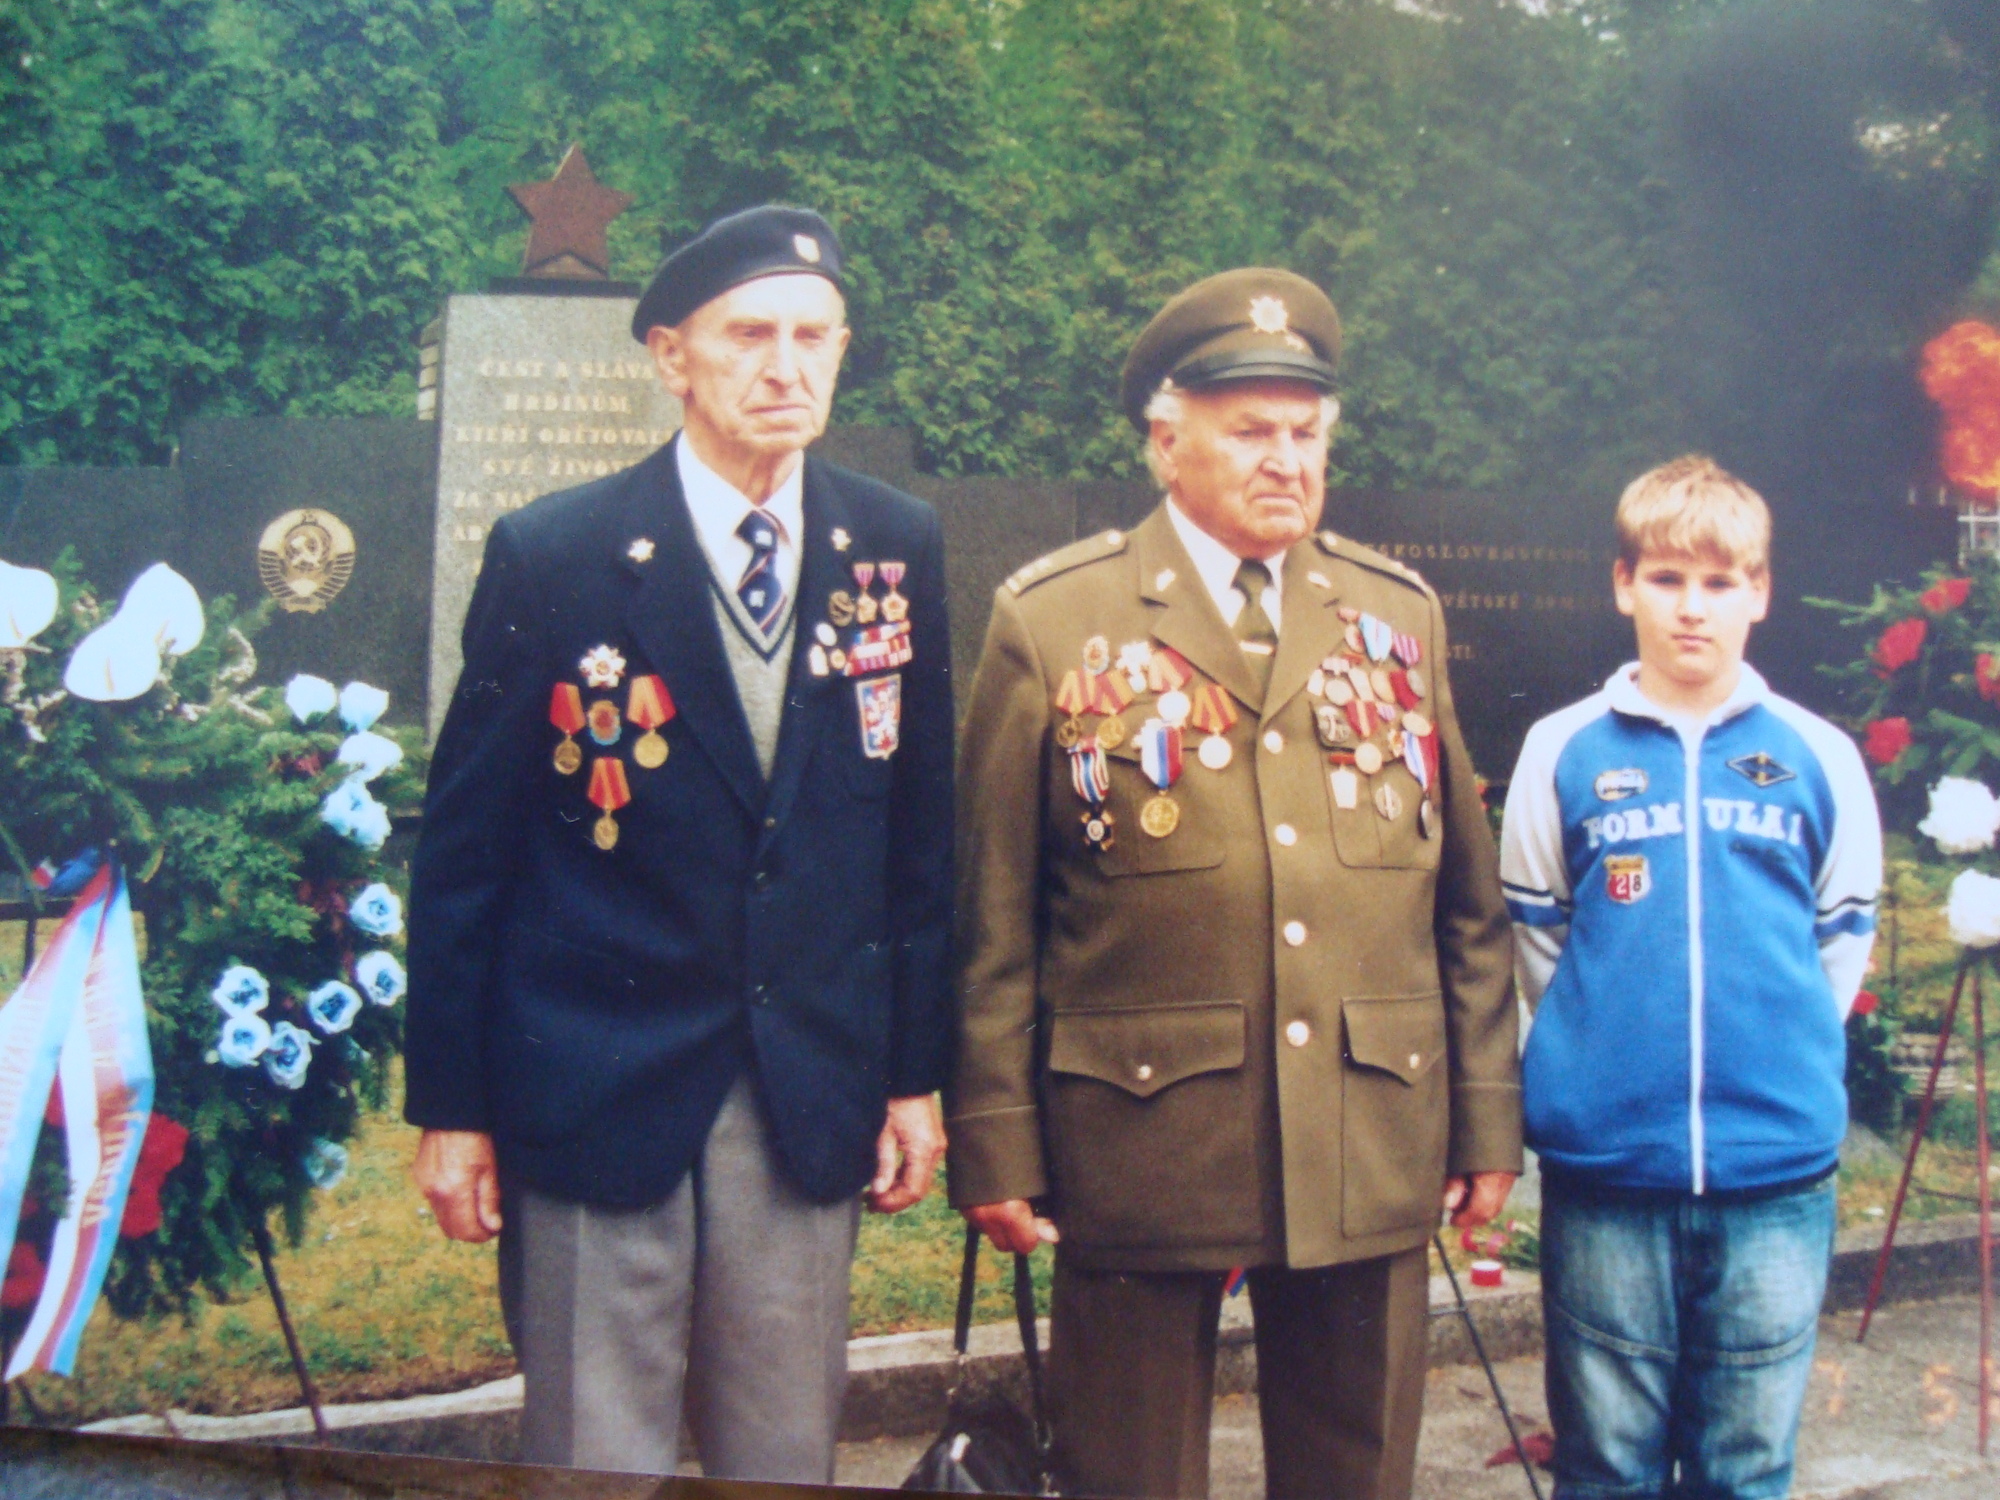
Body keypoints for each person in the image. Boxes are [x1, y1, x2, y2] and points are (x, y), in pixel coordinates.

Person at [948, 267, 1522, 1500]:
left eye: (1305, 434)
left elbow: (1466, 912)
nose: (1285, 461)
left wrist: (1484, 1118)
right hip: (1142, 1137)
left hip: (1365, 1126)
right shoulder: (1053, 619)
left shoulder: (1395, 615)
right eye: (1251, 430)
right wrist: (994, 1143)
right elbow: (994, 918)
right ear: (1166, 442)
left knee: (1353, 1474)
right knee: (1130, 1477)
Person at [402, 205, 954, 1480]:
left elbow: (915, 840)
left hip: (799, 1090)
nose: (785, 366)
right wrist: (451, 1106)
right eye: (749, 334)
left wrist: (912, 1075)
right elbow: (468, 855)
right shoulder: (559, 553)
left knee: (781, 1456)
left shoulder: (891, 545)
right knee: (595, 1459)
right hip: (594, 1082)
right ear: (671, 357)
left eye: (813, 336)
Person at [1500, 455, 1882, 1500]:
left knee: (1745, 1465)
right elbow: (1540, 939)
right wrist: (1599, 1056)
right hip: (1609, 1172)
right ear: (1623, 584)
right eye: (1666, 579)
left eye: (1719, 583)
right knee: (1606, 1461)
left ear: (1759, 593)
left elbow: (1836, 944)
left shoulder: (1818, 756)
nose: (1691, 608)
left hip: (1774, 1174)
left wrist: (1775, 1058)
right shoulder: (1560, 750)